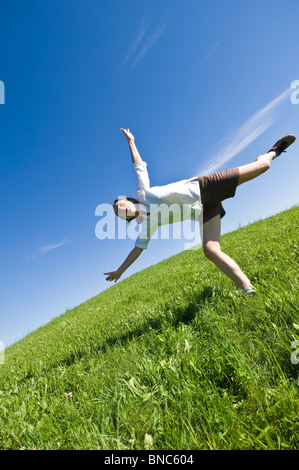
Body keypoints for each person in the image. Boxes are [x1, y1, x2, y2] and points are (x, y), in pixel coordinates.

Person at [104, 129, 296, 295]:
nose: (120, 208)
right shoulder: (147, 225)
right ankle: (247, 289)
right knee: (211, 250)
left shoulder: (143, 193)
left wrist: (131, 141)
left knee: (264, 166)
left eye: (120, 204)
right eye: (117, 211)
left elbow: (139, 166)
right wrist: (120, 271)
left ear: (129, 200)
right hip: (203, 210)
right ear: (124, 217)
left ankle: (271, 153)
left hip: (205, 186)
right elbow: (137, 249)